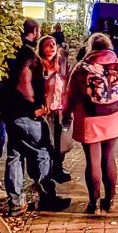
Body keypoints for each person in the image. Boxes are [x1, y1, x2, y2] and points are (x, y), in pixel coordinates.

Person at [0, 19, 71, 215]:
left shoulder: (9, 53)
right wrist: (35, 108)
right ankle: (47, 198)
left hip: (10, 113)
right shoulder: (28, 54)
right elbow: (24, 84)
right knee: (42, 152)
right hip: (26, 113)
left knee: (15, 155)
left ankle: (15, 202)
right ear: (36, 31)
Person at [64, 33, 118, 215]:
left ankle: (93, 203)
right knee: (108, 157)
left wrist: (66, 115)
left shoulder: (82, 67)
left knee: (92, 161)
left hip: (88, 118)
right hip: (112, 117)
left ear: (91, 47)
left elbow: (70, 94)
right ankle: (109, 201)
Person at [37, 34, 71, 183]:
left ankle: (58, 168)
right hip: (46, 110)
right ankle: (47, 172)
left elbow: (66, 83)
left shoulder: (61, 63)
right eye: (48, 45)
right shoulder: (38, 65)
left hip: (60, 108)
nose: (52, 47)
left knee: (61, 142)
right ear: (41, 48)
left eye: (53, 44)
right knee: (47, 142)